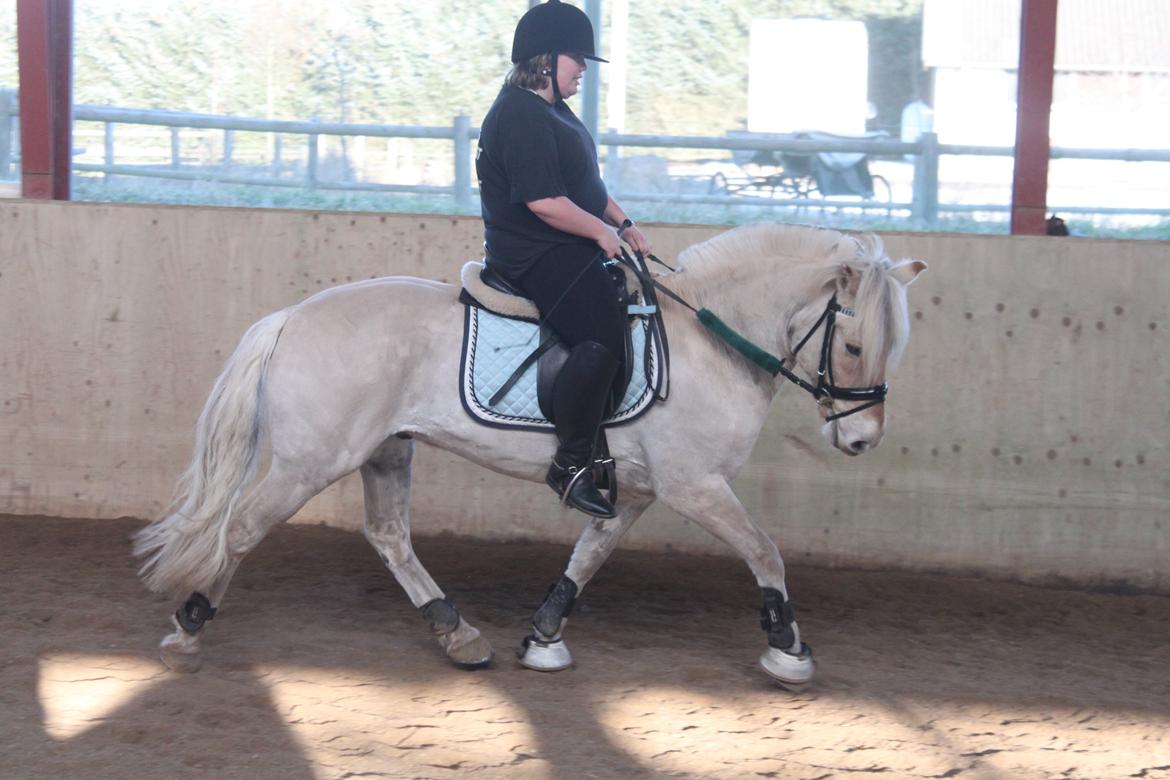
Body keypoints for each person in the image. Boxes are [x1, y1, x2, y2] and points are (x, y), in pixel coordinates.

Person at [476, 0, 651, 519]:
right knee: (601, 332)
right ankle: (571, 462)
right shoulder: (518, 113)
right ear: (546, 60)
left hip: (565, 242)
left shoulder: (554, 111)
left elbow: (584, 188)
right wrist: (600, 233)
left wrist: (623, 223)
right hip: (533, 252)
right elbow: (545, 203)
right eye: (576, 60)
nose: (582, 71)